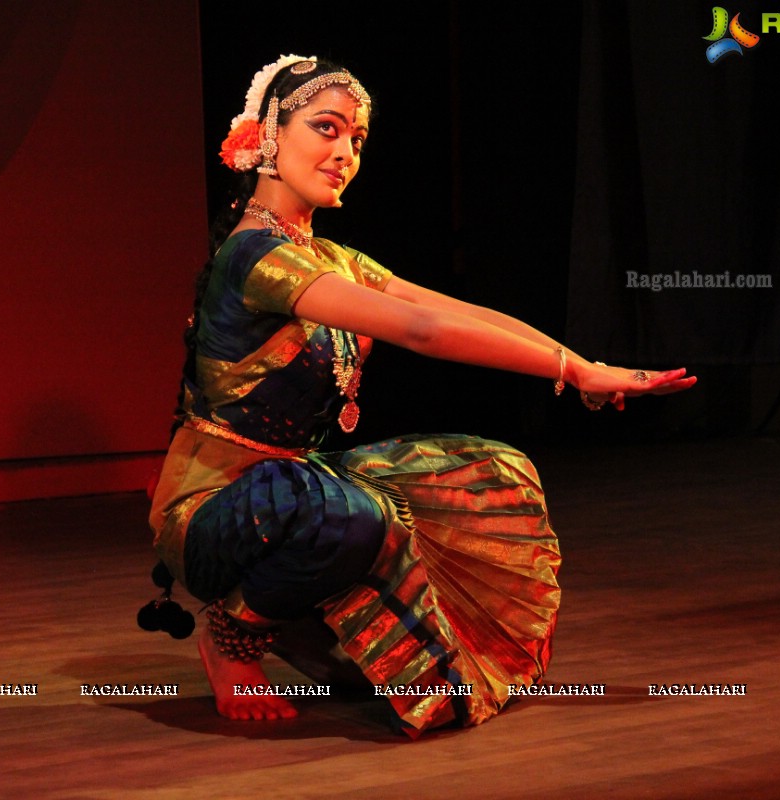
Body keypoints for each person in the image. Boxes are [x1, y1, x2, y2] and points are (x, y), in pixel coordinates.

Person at [148, 55, 696, 737]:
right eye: (326, 128)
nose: (344, 152)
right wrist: (574, 373)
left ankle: (298, 620)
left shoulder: (333, 259)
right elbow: (425, 331)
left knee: (486, 476)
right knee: (350, 512)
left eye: (356, 139)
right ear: (268, 133)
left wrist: (579, 364)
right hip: (211, 511)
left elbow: (456, 311)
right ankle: (232, 635)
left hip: (290, 489)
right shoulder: (257, 255)